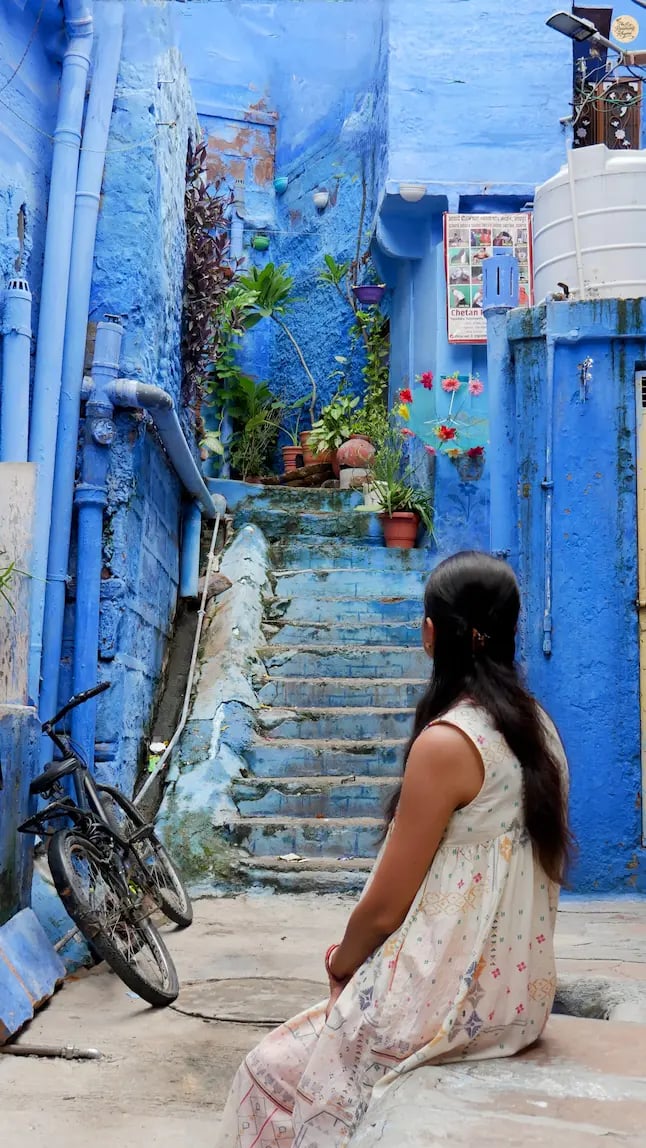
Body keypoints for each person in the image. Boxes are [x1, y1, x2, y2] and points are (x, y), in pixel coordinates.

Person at [216, 551, 572, 1148]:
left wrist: (340, 963)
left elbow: (385, 909)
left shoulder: (449, 743)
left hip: (450, 1007)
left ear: (432, 633)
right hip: (518, 999)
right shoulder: (538, 728)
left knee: (266, 1073)